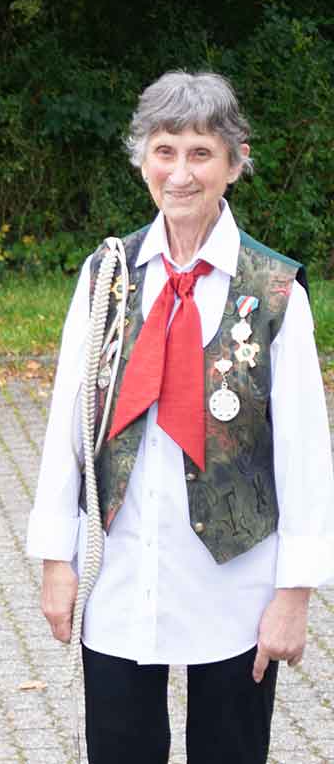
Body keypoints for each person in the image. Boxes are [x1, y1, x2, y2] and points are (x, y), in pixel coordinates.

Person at [27, 71, 334, 763]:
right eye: (165, 150)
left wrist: (295, 595)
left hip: (235, 579)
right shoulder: (107, 274)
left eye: (201, 152)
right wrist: (56, 558)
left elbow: (305, 453)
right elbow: (68, 427)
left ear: (234, 161)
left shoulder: (275, 289)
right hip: (122, 570)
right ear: (143, 159)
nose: (181, 172)